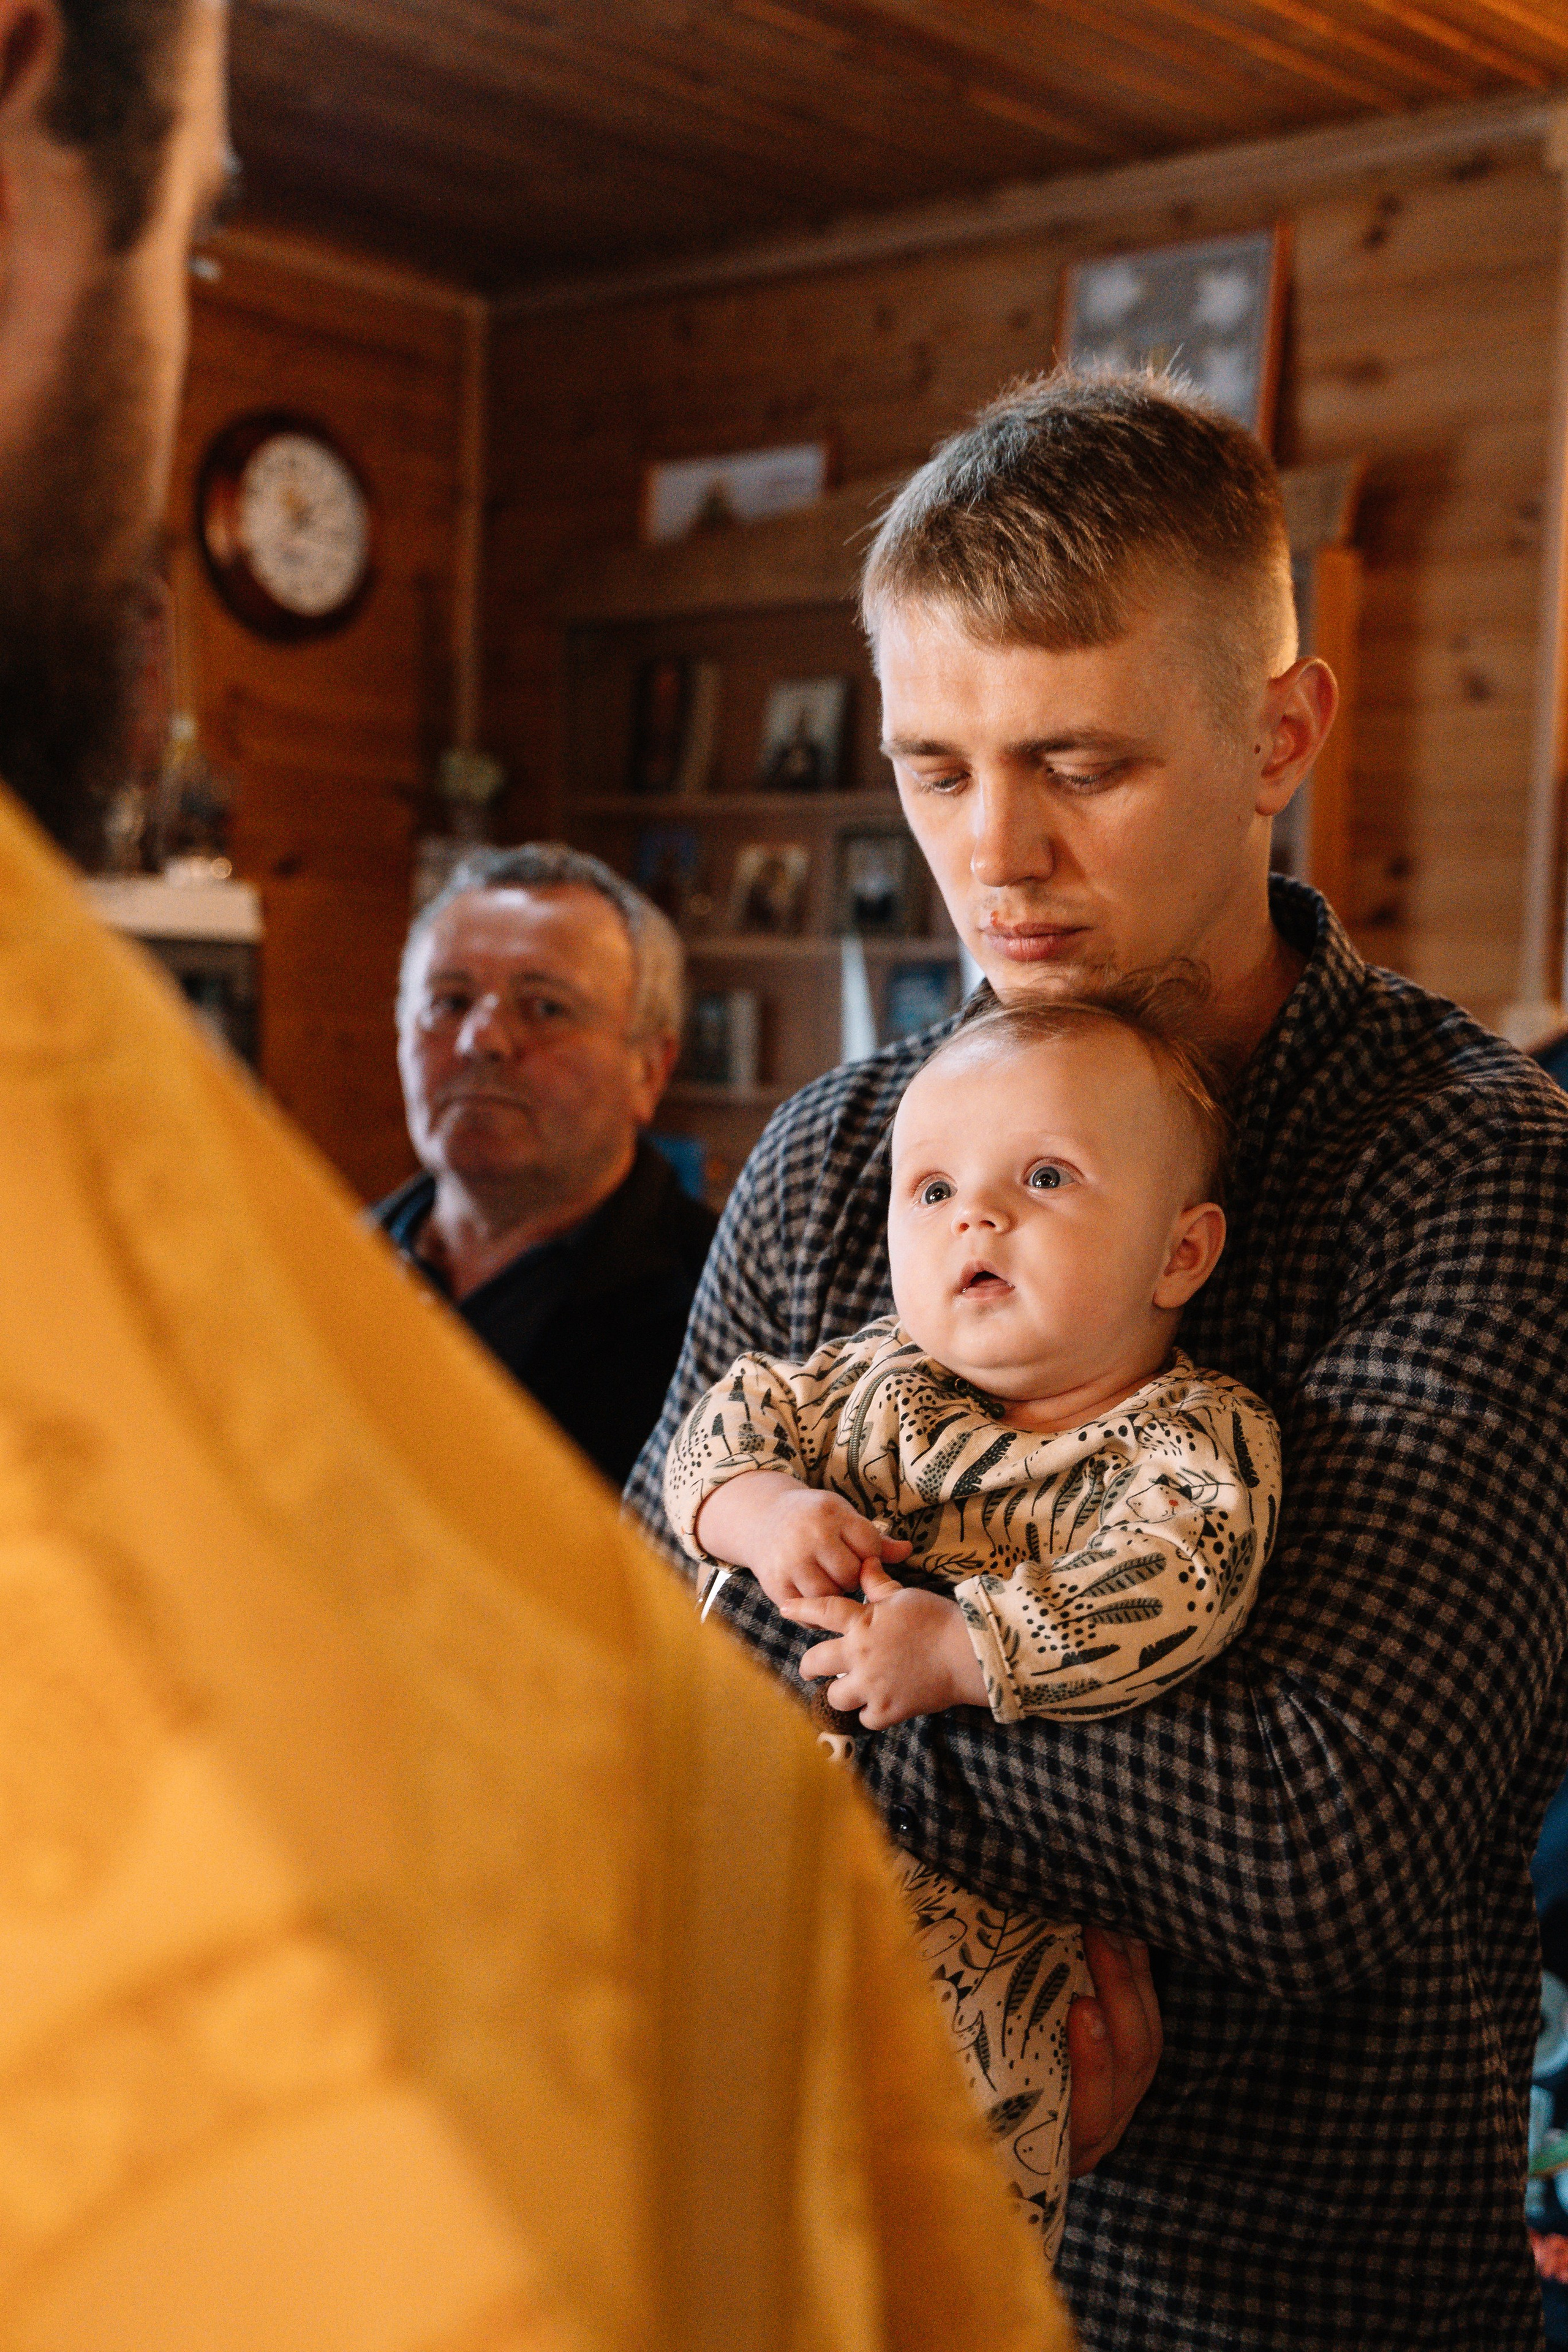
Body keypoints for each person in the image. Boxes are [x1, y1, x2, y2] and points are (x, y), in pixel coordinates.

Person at [0, 1, 1088, 2341]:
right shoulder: (298, 1269)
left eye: (536, 1014)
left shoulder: (742, 1290)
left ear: (648, 1054)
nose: (475, 1051)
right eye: (438, 1009)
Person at [628, 370, 1568, 2351]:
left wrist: (859, 1705)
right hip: (844, 2234)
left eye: (1083, 764)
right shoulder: (835, 1153)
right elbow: (642, 1670)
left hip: (1292, 2294)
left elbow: (1318, 1838)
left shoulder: (1474, 1165)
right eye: (937, 768)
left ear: (1278, 735)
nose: (999, 857)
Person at [664, 988, 1281, 2256]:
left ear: (1180, 1252)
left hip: (979, 1936)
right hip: (740, 1885)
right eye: (930, 1190)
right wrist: (764, 1510)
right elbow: (721, 1422)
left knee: (934, 2211)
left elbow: (1176, 1583)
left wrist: (965, 1648)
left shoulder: (1187, 1437)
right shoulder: (864, 1377)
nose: (975, 1217)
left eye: (1042, 1177)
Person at [375, 845, 716, 1488]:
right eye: (449, 1002)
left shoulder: (724, 1310)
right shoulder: (320, 1265)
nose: (482, 1041)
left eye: (545, 1008)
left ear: (649, 1068)